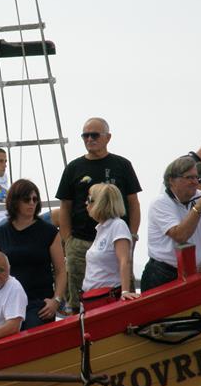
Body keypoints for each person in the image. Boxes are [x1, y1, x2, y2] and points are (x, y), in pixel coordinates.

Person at [56, 117, 141, 313]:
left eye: (94, 135)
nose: (89, 139)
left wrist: (133, 235)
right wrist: (68, 241)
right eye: (85, 135)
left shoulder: (122, 165)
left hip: (115, 238)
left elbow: (133, 203)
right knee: (78, 298)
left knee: (121, 289)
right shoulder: (73, 168)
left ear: (108, 137)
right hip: (81, 240)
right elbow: (65, 206)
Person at [141, 157, 201, 292]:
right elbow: (180, 235)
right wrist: (199, 207)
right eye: (189, 178)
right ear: (171, 180)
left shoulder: (198, 196)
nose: (194, 182)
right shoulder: (160, 203)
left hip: (192, 272)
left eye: (196, 178)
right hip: (163, 274)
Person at [0, 179, 66, 329]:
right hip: (8, 303)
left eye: (35, 199)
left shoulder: (49, 232)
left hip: (40, 305)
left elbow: (61, 271)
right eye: (27, 199)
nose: (32, 203)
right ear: (14, 201)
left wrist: (56, 301)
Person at [82, 183, 140, 301]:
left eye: (89, 199)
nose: (86, 203)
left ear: (100, 202)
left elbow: (124, 260)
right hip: (93, 297)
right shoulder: (102, 228)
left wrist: (125, 292)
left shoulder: (118, 226)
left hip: (108, 297)